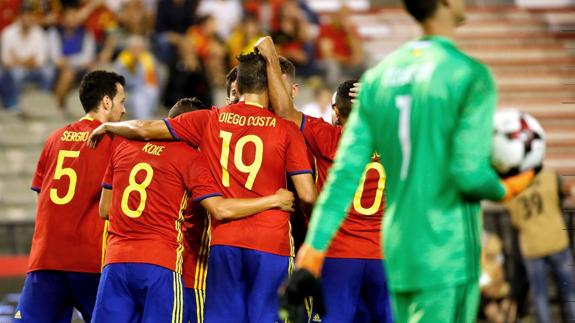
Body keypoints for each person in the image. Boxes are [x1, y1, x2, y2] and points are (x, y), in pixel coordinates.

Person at [279, 1, 537, 322]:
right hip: (443, 249)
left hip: (398, 250)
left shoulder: (378, 80)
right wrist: (509, 188)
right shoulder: (468, 74)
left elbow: (341, 181)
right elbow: (469, 174)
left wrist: (311, 255)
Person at [87, 36, 317, 322]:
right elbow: (307, 195)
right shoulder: (286, 129)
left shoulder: (210, 119)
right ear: (270, 85)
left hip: (225, 240)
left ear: (238, 87)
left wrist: (110, 124)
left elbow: (146, 128)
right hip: (271, 241)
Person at [92, 97, 296, 323]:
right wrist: (274, 200)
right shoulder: (190, 158)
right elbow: (220, 209)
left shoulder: (124, 148)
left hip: (115, 263)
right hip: (163, 266)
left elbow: (105, 210)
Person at [269, 51, 392, 322]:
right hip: (384, 254)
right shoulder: (393, 142)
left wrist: (268, 53)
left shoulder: (328, 137)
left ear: (336, 112)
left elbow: (284, 111)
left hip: (340, 253)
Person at [13, 70, 126, 323]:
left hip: (46, 260)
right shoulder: (115, 141)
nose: (124, 110)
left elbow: (42, 196)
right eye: (122, 102)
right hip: (91, 260)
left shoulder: (54, 139)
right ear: (106, 102)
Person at [504, 169, 575, 323]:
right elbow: (565, 191)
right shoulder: (548, 176)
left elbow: (515, 220)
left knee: (540, 297)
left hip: (532, 247)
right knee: (570, 293)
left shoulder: (512, 186)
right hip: (557, 241)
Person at [1, 5, 53, 111]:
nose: (28, 19)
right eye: (25, 16)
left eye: (31, 16)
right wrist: (28, 61)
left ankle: (41, 104)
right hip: (13, 70)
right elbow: (6, 61)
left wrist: (19, 60)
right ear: (19, 17)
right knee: (17, 73)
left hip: (34, 70)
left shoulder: (39, 33)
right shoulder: (8, 33)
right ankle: (14, 105)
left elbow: (40, 60)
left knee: (48, 71)